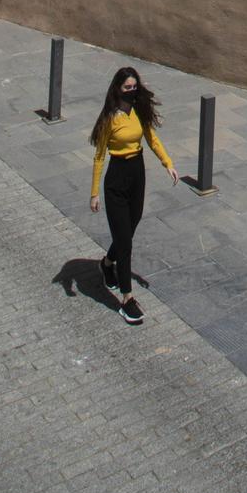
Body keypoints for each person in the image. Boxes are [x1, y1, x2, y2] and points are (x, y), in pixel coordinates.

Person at [88, 66, 176, 324]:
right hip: (116, 176)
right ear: (117, 88)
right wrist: (94, 193)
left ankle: (106, 263)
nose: (132, 91)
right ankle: (127, 299)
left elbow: (151, 138)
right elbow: (99, 156)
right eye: (127, 87)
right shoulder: (109, 118)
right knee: (125, 241)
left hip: (137, 173)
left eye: (134, 87)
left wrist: (167, 163)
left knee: (130, 226)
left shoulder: (138, 111)